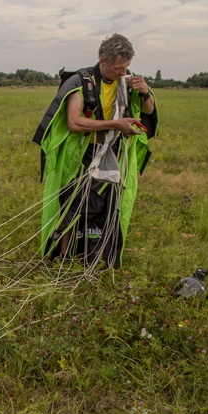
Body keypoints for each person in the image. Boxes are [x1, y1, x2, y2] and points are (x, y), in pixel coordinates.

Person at [32, 33, 159, 268]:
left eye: (126, 68)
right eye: (117, 68)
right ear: (102, 60)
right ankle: (65, 258)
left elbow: (148, 110)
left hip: (116, 154)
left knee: (109, 205)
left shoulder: (128, 81)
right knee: (72, 205)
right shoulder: (81, 82)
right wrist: (115, 124)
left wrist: (145, 92)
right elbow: (74, 122)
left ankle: (101, 255)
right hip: (82, 155)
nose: (122, 73)